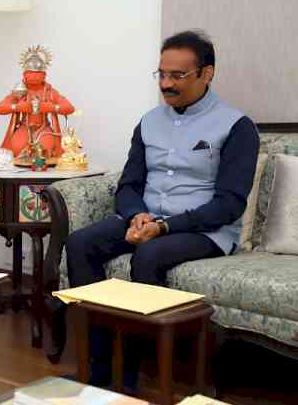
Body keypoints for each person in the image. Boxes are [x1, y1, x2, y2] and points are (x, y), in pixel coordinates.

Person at [65, 30, 259, 390]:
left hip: (203, 230)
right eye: (162, 75)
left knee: (150, 255)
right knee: (79, 243)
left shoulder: (237, 126)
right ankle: (99, 367)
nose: (166, 84)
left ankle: (131, 373)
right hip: (147, 219)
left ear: (207, 73)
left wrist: (165, 227)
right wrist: (137, 214)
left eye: (177, 76)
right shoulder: (150, 121)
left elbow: (229, 204)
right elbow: (129, 184)